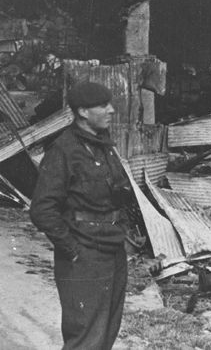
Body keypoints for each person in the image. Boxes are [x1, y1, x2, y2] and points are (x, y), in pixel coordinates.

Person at [30, 81, 133, 349]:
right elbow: (42, 209)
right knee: (86, 338)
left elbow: (118, 195)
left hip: (112, 250)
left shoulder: (104, 146)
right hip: (83, 255)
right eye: (103, 105)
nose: (111, 110)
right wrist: (72, 250)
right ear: (83, 112)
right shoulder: (64, 151)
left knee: (107, 332)